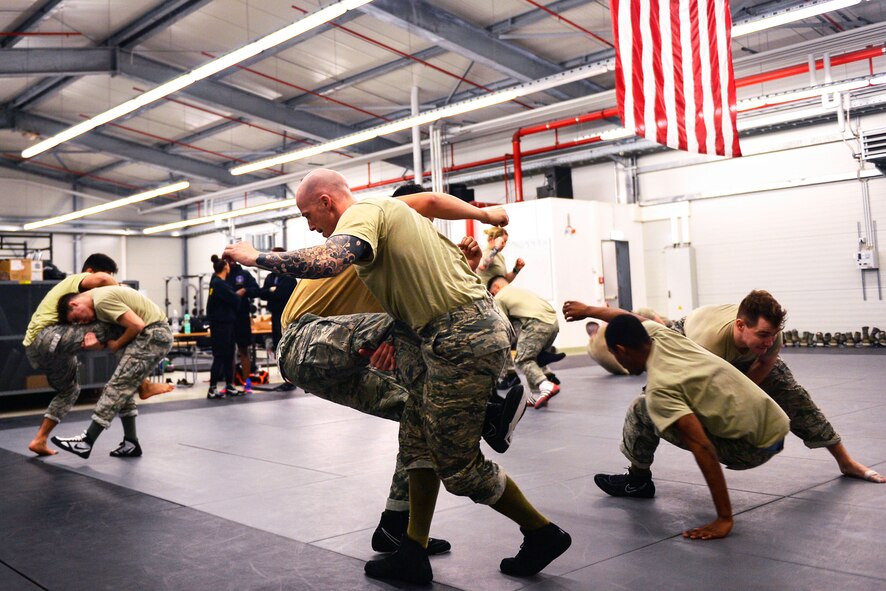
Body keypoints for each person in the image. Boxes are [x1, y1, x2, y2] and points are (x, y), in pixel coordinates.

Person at [225, 169, 570, 584]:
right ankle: (411, 547)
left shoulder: (365, 213)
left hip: (455, 338)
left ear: (326, 202)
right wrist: (483, 215)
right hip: (454, 334)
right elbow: (432, 211)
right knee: (417, 436)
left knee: (458, 468)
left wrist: (257, 257)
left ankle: (541, 531)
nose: (310, 226)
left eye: (307, 215)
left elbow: (330, 259)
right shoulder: (408, 226)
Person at [563, 302, 790, 540]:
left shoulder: (662, 388)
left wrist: (724, 518)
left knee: (642, 409)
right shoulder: (660, 334)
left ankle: (638, 481)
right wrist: (587, 310)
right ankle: (639, 478)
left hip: (754, 448)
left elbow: (702, 447)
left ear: (621, 350)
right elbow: (626, 317)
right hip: (774, 421)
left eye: (614, 355)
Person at [673, 291, 884, 484]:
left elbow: (764, 364)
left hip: (738, 347)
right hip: (687, 338)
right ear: (740, 326)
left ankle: (846, 462)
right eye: (764, 335)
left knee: (795, 397)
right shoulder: (708, 344)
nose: (770, 341)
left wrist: (746, 397)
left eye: (774, 334)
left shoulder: (770, 335)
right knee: (670, 404)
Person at [23, 254, 168, 456]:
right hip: (46, 336)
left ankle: (40, 439)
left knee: (72, 390)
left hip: (40, 350)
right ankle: (143, 384)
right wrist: (117, 289)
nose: (107, 285)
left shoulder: (91, 300)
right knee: (117, 326)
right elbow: (104, 280)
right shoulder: (80, 280)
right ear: (90, 271)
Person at [51, 286, 174, 458]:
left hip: (152, 334)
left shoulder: (102, 300)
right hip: (153, 334)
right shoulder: (101, 298)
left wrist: (117, 344)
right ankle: (131, 442)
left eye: (76, 319)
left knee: (117, 387)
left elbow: (137, 325)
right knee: (124, 390)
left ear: (74, 304)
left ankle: (86, 441)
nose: (81, 322)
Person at [488, 275, 561, 408]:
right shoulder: (521, 291)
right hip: (553, 323)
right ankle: (536, 395)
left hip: (536, 323)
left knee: (522, 359)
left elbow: (502, 324)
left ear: (496, 287)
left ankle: (545, 385)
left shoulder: (499, 297)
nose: (493, 297)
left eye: (492, 293)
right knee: (533, 359)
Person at [206, 255, 242, 399]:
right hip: (221, 326)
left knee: (229, 355)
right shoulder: (219, 284)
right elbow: (235, 300)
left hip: (226, 324)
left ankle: (229, 385)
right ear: (226, 267)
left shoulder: (216, 282)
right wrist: (238, 295)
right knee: (220, 355)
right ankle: (212, 388)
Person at [227, 260, 260, 393]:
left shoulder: (244, 274)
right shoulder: (222, 275)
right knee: (229, 352)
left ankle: (247, 383)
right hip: (227, 318)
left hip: (242, 318)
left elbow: (257, 290)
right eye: (226, 259)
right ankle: (230, 384)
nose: (229, 262)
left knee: (244, 350)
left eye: (231, 258)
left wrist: (245, 290)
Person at [259, 247, 298, 349]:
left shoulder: (289, 277)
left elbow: (283, 294)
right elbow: (262, 294)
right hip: (274, 312)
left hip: (285, 314)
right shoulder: (270, 277)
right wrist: (270, 290)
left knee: (285, 341)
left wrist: (271, 292)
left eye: (273, 257)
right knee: (276, 340)